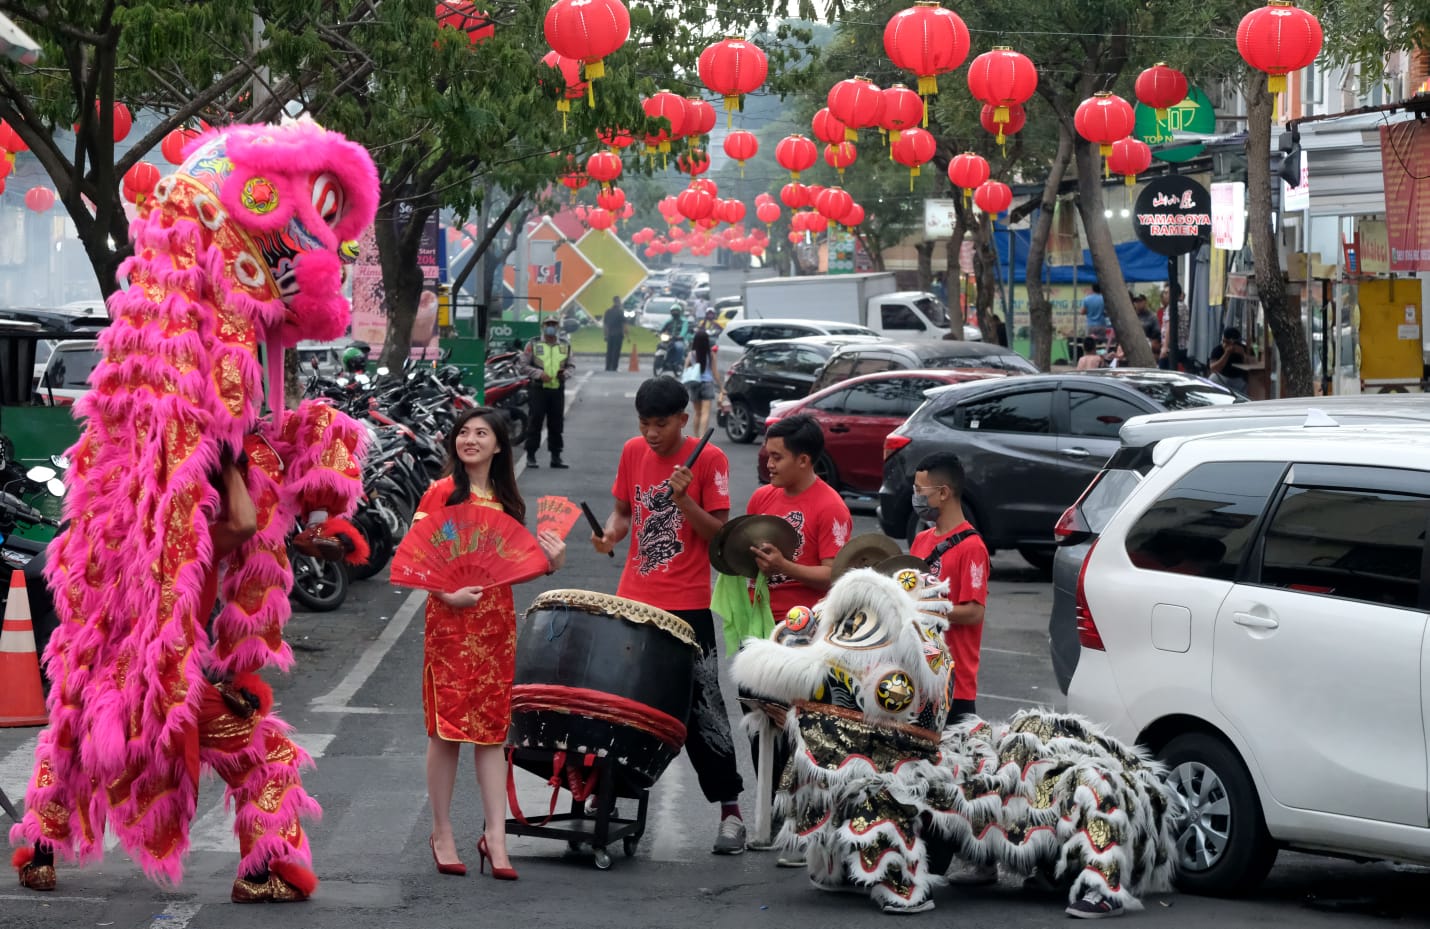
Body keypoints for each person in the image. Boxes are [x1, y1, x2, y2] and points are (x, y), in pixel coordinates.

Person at [591, 377, 746, 854]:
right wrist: (611, 536)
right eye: (644, 423)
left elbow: (720, 536)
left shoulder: (709, 459)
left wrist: (683, 500)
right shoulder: (633, 451)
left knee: (703, 710)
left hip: (687, 606)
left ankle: (730, 812)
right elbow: (622, 512)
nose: (652, 433)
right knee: (623, 705)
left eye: (662, 424)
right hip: (635, 599)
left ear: (684, 418)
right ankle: (611, 802)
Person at [415, 407, 566, 881]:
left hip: (496, 624)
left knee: (491, 732)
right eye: (464, 432)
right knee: (445, 730)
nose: (471, 439)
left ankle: (496, 836)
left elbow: (518, 563)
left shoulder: (506, 500)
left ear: (499, 445)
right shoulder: (441, 492)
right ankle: (442, 832)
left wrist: (552, 561)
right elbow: (417, 557)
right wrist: (447, 593)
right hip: (450, 622)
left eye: (482, 433)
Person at [745, 414, 852, 624]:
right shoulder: (761, 497)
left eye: (777, 458)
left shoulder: (831, 507)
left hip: (801, 627)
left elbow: (834, 575)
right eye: (768, 456)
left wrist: (783, 566)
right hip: (756, 619)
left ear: (803, 460)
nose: (769, 465)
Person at [519, 317, 574, 469]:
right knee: (535, 421)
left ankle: (556, 456)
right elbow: (523, 365)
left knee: (556, 423)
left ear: (558, 327)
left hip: (557, 389)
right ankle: (530, 455)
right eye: (548, 325)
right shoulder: (534, 344)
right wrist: (538, 373)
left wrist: (565, 374)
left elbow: (571, 366)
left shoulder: (565, 345)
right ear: (543, 327)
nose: (551, 327)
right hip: (538, 389)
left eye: (553, 325)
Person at [683, 329, 719, 436]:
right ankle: (702, 438)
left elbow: (686, 370)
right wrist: (721, 387)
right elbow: (715, 372)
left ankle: (696, 436)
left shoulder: (691, 355)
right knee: (705, 413)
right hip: (707, 384)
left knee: (697, 413)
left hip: (695, 384)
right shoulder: (711, 354)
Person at [1207, 326, 1250, 395]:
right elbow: (1213, 368)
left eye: (1227, 342)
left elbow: (1252, 368)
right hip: (1221, 377)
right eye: (1223, 341)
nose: (1224, 344)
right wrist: (1226, 354)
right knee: (1212, 379)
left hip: (1239, 379)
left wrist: (1243, 355)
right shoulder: (1218, 349)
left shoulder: (1245, 349)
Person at [603, 296, 627, 372]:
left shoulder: (608, 311)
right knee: (616, 351)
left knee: (609, 351)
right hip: (618, 334)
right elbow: (623, 324)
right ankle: (614, 367)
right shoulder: (620, 312)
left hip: (610, 334)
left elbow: (605, 324)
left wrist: (605, 335)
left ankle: (607, 366)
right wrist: (626, 334)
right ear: (618, 302)